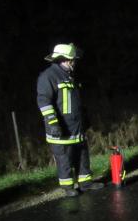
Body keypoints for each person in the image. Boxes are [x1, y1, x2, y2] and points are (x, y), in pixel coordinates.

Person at [36, 43, 104, 197]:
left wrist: (85, 118)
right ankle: (68, 187)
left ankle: (85, 183)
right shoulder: (48, 76)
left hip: (76, 126)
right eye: (71, 60)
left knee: (82, 154)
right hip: (61, 128)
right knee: (64, 158)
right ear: (63, 60)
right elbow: (44, 101)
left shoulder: (69, 76)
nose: (74, 62)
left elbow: (76, 101)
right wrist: (53, 123)